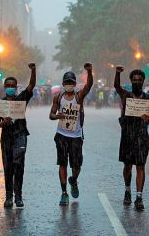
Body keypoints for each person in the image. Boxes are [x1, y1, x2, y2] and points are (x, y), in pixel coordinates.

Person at [0, 63, 36, 208]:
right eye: (8, 85)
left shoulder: (21, 99)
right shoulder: (0, 103)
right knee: (8, 167)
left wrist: (33, 70)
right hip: (6, 139)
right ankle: (8, 196)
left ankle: (18, 196)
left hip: (20, 136)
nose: (11, 87)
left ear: (16, 87)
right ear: (5, 87)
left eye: (13, 85)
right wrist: (4, 122)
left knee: (18, 165)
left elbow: (31, 86)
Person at [49, 63, 93, 206]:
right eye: (67, 82)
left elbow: (88, 86)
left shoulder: (79, 96)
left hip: (76, 136)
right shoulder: (58, 97)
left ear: (74, 84)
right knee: (62, 164)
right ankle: (64, 193)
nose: (69, 84)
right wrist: (57, 116)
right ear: (63, 84)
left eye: (71, 82)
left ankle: (73, 180)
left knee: (76, 166)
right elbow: (51, 114)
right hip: (61, 135)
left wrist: (89, 71)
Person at [114, 65, 149, 211]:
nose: (137, 82)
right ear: (131, 81)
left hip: (142, 138)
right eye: (135, 80)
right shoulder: (126, 95)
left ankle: (139, 197)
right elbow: (116, 86)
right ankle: (127, 191)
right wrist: (118, 73)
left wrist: (147, 119)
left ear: (143, 82)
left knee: (141, 166)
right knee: (127, 166)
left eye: (140, 80)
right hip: (127, 137)